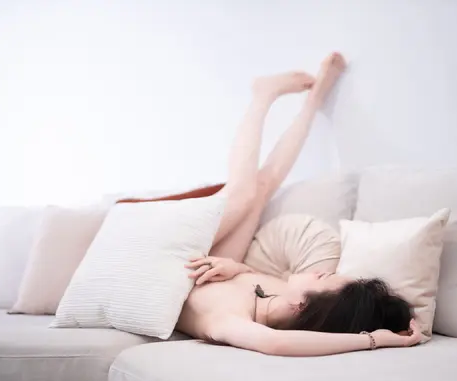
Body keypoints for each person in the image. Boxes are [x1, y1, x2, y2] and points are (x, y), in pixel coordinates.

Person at [176, 52, 421, 356]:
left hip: (175, 260)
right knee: (259, 189)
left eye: (325, 277)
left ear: (305, 306)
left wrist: (376, 339)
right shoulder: (281, 294)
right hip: (206, 260)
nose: (323, 271)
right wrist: (235, 267)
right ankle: (311, 101)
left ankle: (262, 97)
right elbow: (250, 280)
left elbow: (275, 343)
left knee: (245, 191)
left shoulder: (231, 318)